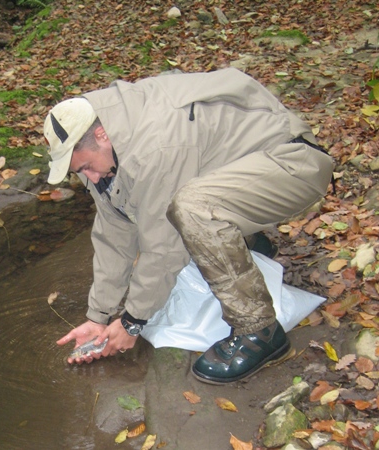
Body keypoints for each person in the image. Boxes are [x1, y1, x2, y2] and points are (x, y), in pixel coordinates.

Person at [44, 68, 333, 384]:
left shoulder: (153, 145)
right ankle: (250, 245)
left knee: (192, 211)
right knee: (184, 210)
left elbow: (164, 248)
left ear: (101, 135)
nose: (91, 178)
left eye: (86, 166)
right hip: (244, 167)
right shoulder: (107, 146)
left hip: (294, 163)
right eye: (79, 172)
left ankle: (259, 333)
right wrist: (98, 317)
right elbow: (115, 233)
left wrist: (131, 323)